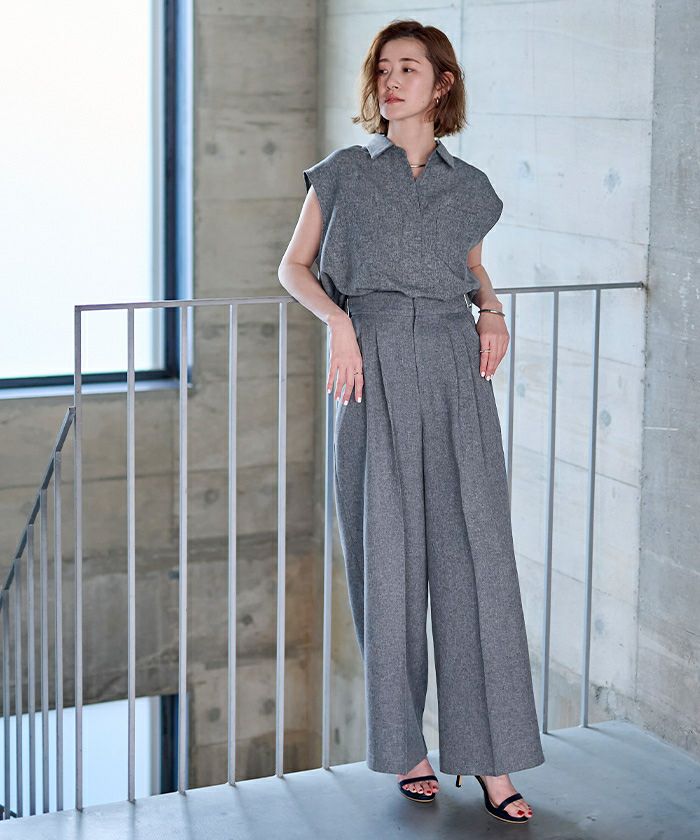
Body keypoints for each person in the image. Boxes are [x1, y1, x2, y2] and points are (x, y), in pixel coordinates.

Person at [278, 19, 544, 825]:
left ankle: (492, 758)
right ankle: (407, 749)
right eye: (383, 69)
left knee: (477, 565)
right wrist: (340, 323)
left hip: (458, 376)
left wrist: (491, 309)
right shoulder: (343, 174)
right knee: (388, 569)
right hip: (374, 370)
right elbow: (293, 267)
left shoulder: (472, 188)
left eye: (408, 69)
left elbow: (470, 265)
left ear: (441, 85)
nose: (391, 82)